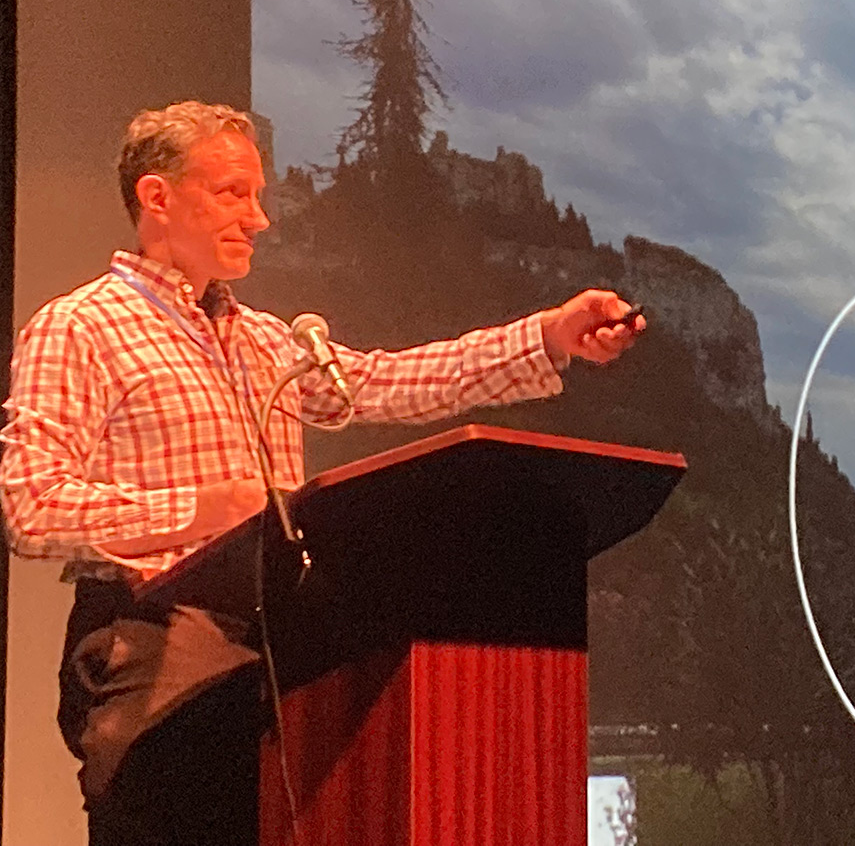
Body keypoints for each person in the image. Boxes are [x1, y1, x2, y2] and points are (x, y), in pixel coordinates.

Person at [0, 100, 645, 845]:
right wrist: (199, 512)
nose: (259, 218)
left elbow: (389, 382)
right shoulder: (79, 326)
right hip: (163, 651)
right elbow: (31, 505)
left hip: (289, 646)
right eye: (233, 193)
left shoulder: (267, 341)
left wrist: (548, 336)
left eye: (259, 195)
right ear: (157, 196)